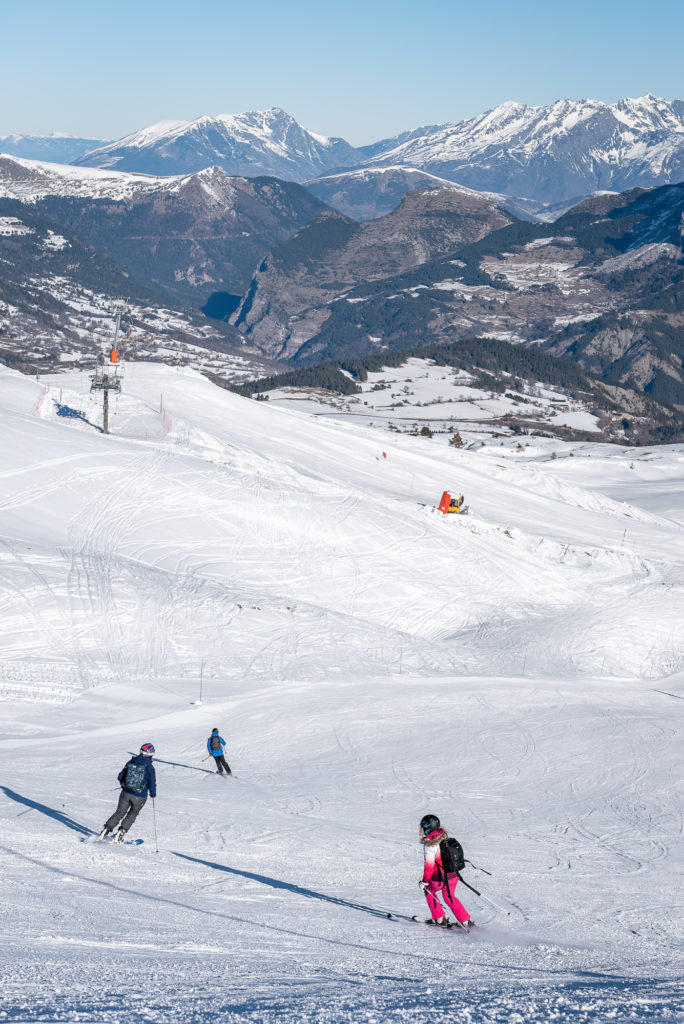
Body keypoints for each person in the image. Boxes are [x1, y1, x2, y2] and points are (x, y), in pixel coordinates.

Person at [419, 813, 474, 928]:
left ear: (427, 827)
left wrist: (424, 882)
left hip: (440, 879)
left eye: (423, 827)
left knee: (428, 890)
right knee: (450, 897)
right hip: (453, 875)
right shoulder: (443, 836)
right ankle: (465, 921)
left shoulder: (430, 844)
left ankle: (439, 919)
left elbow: (429, 866)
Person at [99, 743, 157, 843]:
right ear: (150, 755)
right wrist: (153, 793)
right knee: (132, 814)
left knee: (119, 812)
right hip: (139, 796)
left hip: (125, 793)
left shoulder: (131, 761)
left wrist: (124, 784)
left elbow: (120, 776)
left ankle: (106, 829)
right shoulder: (150, 767)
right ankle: (120, 833)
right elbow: (152, 783)